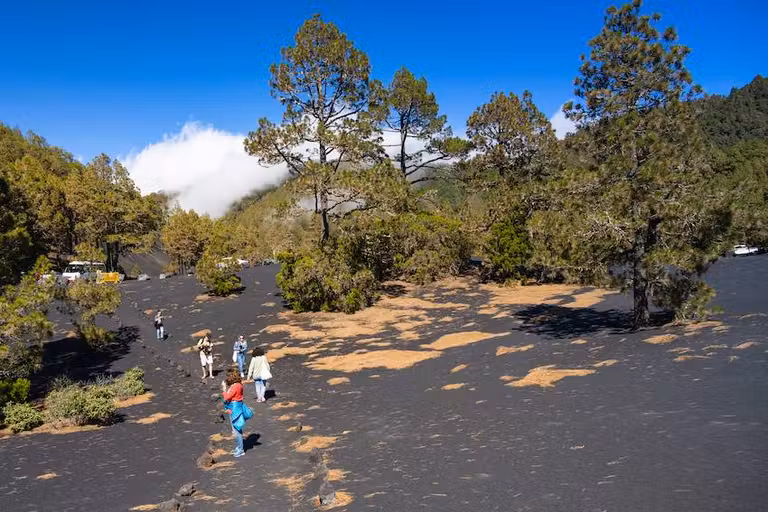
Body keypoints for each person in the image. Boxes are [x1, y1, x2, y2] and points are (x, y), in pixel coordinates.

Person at [221, 371, 247, 458]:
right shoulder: (238, 385)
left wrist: (224, 390)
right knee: (236, 428)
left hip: (235, 408)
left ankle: (241, 449)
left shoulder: (236, 386)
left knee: (236, 429)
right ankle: (238, 447)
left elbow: (227, 397)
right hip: (236, 407)